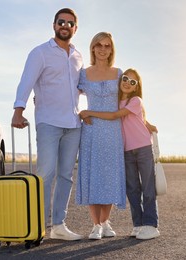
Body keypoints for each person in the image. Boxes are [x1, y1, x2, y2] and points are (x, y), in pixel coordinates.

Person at [11, 8, 84, 241]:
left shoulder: (78, 55)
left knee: (65, 175)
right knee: (45, 173)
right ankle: (38, 226)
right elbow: (26, 82)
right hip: (49, 122)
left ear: (75, 28)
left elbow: (80, 87)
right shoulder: (40, 53)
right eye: (61, 22)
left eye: (70, 23)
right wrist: (18, 111)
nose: (65, 26)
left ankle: (59, 225)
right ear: (54, 25)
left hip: (73, 123)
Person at [79, 68, 160, 240]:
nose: (127, 83)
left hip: (143, 147)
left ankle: (151, 225)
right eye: (125, 79)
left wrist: (89, 112)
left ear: (137, 86)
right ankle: (138, 225)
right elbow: (141, 119)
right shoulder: (116, 101)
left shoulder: (136, 100)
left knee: (147, 187)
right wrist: (149, 124)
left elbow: (115, 115)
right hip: (127, 150)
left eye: (132, 82)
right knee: (132, 189)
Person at [75, 32, 127, 240]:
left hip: (113, 131)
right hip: (92, 130)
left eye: (107, 46)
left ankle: (105, 222)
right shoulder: (84, 74)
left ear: (111, 50)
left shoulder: (118, 73)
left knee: (109, 175)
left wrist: (145, 122)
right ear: (93, 48)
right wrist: (79, 112)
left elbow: (129, 101)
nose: (103, 49)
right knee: (92, 175)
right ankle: (95, 225)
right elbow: (69, 95)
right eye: (99, 45)